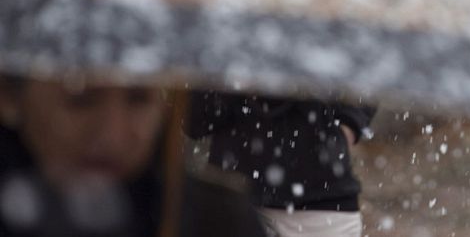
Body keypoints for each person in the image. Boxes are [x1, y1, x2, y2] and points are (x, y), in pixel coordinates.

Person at [0, 74, 269, 237]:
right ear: (9, 96)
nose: (112, 136)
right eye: (81, 98)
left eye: (139, 99)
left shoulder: (216, 220)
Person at [186, 92, 376, 237]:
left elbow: (371, 54)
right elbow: (195, 119)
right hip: (229, 201)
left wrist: (350, 122)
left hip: (322, 205)